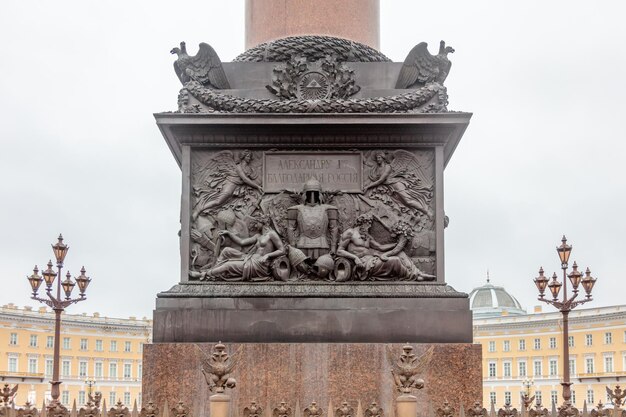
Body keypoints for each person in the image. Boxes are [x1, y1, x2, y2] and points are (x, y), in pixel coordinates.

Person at [337, 214, 435, 281]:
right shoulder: (350, 232)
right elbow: (339, 251)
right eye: (368, 224)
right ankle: (413, 276)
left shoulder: (366, 236)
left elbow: (380, 247)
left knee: (400, 253)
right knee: (395, 261)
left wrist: (397, 245)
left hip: (371, 259)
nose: (369, 227)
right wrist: (355, 258)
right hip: (361, 264)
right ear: (362, 223)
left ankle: (418, 273)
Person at [200, 215, 284, 281]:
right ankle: (214, 270)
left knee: (228, 265)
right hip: (249, 258)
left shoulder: (271, 234)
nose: (255, 225)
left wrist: (268, 255)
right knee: (226, 251)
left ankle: (206, 274)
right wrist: (229, 233)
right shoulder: (258, 236)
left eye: (257, 222)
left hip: (259, 266)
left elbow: (282, 250)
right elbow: (242, 242)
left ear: (263, 222)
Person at [192, 150, 263, 220]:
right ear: (243, 157)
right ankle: (198, 210)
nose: (249, 158)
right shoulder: (238, 166)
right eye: (247, 156)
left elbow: (253, 179)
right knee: (218, 201)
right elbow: (245, 179)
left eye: (250, 157)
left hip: (238, 189)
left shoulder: (249, 169)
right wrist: (257, 187)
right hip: (230, 184)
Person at [364, 151, 432, 217]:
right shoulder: (377, 168)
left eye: (379, 157)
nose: (377, 159)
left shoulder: (388, 167)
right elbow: (368, 165)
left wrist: (367, 187)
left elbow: (380, 180)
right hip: (390, 189)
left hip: (396, 185)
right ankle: (416, 216)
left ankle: (427, 212)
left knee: (408, 202)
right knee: (403, 204)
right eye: (376, 158)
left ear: (383, 158)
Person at [287, 178, 338, 259]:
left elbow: (334, 228)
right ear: (305, 194)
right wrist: (293, 247)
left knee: (323, 269)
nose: (312, 195)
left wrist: (333, 247)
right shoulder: (296, 209)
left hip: (323, 245)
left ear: (319, 194)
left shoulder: (328, 209)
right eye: (309, 192)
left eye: (315, 193)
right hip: (302, 245)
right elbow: (290, 228)